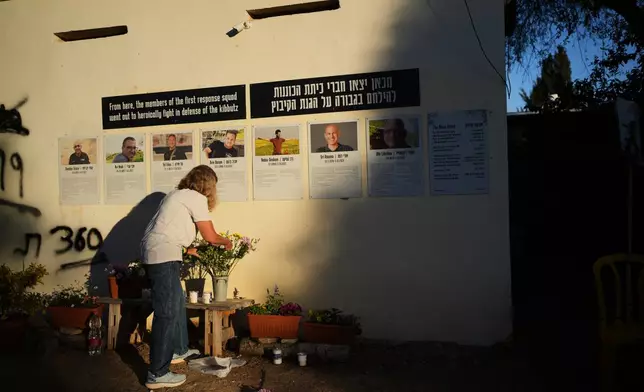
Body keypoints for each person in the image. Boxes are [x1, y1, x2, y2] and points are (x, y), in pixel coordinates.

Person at [141, 165, 232, 389]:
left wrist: (186, 250)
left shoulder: (178, 195)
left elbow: (167, 228)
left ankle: (178, 350)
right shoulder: (195, 197)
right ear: (208, 185)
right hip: (163, 254)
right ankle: (157, 374)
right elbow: (210, 236)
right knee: (167, 312)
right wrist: (226, 242)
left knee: (176, 300)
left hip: (161, 251)